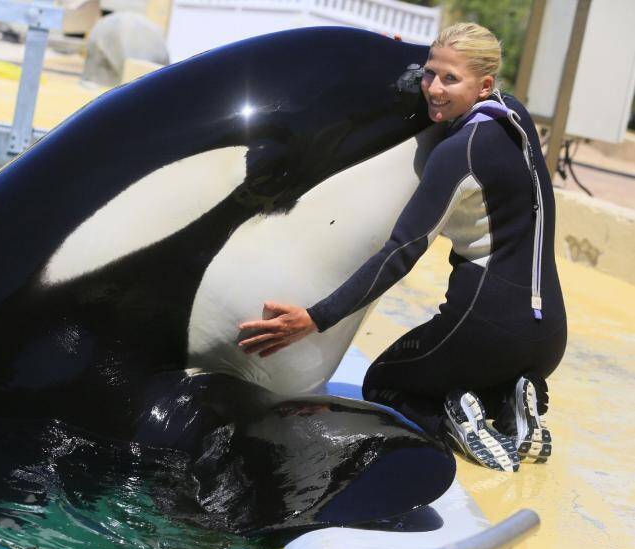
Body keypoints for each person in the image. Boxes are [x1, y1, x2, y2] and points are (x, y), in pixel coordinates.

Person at [236, 23, 566, 472]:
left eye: (450, 79)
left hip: (484, 330)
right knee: (473, 367)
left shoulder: (459, 152)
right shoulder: (516, 117)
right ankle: (508, 401)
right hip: (548, 340)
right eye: (429, 74)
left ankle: (450, 418)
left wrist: (315, 319)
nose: (432, 88)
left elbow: (401, 252)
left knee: (385, 382)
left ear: (483, 85)